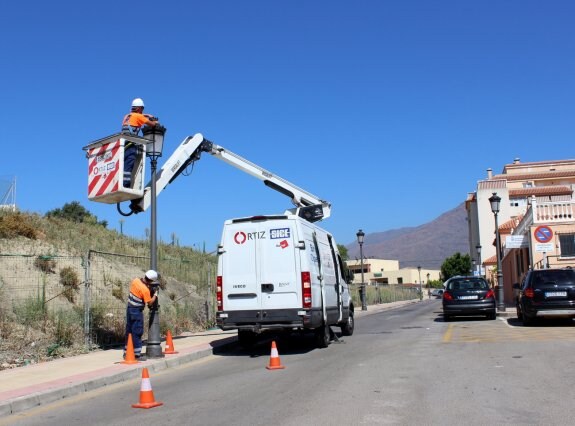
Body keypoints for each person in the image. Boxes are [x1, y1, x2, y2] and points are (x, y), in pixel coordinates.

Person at [121, 98, 161, 188]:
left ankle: (122, 182)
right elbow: (153, 124)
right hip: (130, 144)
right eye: (142, 109)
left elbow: (141, 116)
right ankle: (125, 184)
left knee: (124, 163)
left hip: (124, 144)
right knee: (129, 162)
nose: (143, 111)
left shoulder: (127, 116)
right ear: (139, 108)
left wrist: (148, 115)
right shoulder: (139, 117)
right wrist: (154, 121)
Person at [124, 269, 160, 360]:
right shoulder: (145, 290)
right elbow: (150, 303)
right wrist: (155, 294)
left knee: (129, 331)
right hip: (137, 311)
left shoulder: (135, 281)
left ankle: (126, 353)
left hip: (129, 309)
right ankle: (136, 354)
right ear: (151, 281)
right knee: (137, 332)